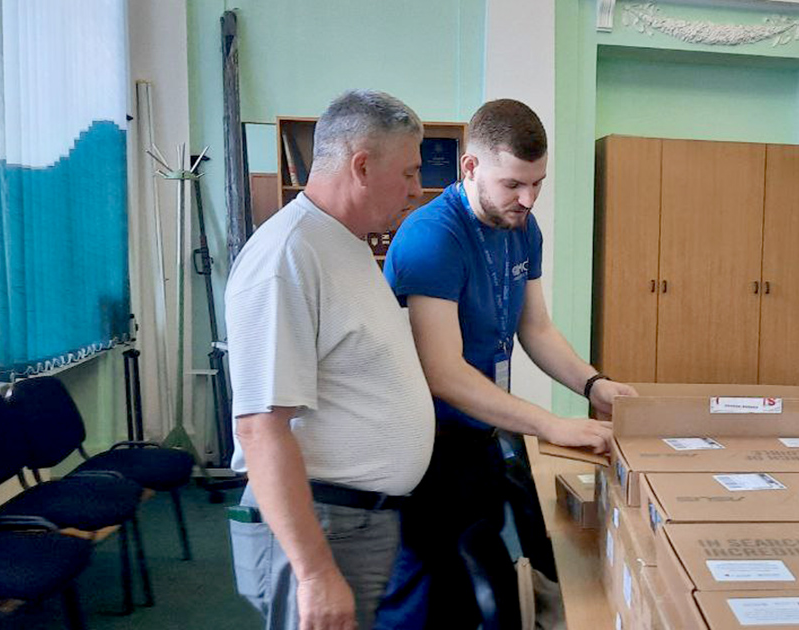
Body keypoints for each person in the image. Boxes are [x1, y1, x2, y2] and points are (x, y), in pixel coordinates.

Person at [375, 98, 637, 627]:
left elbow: (535, 328)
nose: (528, 198)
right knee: (429, 595)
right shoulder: (433, 237)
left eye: (537, 183)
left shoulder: (523, 228)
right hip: (425, 447)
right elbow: (443, 373)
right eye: (514, 184)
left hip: (483, 437)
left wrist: (592, 385)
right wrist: (550, 424)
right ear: (470, 167)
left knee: (481, 586)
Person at [225, 89, 436, 630]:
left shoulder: (345, 242)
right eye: (409, 173)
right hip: (321, 525)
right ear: (362, 165)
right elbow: (258, 429)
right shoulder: (288, 255)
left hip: (355, 521)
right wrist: (315, 572)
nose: (416, 191)